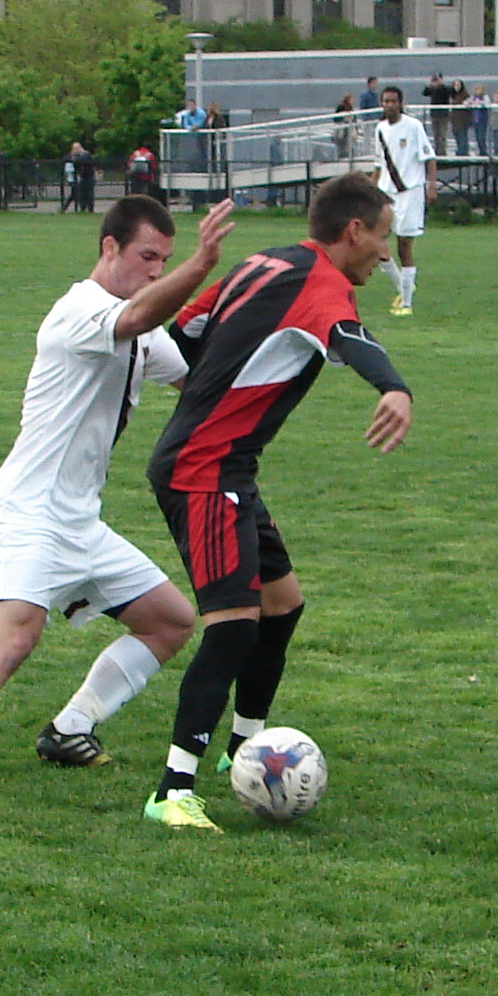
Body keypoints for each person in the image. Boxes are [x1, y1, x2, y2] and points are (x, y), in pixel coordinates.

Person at [0, 194, 238, 809]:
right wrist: (202, 266)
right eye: (147, 257)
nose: (157, 270)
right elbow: (136, 318)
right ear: (110, 247)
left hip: (80, 520)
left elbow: (197, 379)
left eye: (165, 260)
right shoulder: (79, 312)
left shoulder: (140, 326)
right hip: (27, 512)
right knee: (15, 637)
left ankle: (70, 728)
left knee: (170, 622)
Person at [140, 174, 413, 831]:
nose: (386, 252)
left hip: (226, 464)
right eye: (382, 237)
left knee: (281, 606)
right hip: (204, 468)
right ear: (353, 231)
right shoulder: (321, 282)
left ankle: (246, 746)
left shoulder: (264, 262)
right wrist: (394, 388)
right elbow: (349, 338)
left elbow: (185, 332)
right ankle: (172, 791)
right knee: (233, 625)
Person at [362, 85, 436, 318]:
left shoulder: (413, 126)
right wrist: (369, 190)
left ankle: (406, 303)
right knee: (377, 243)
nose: (390, 105)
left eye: (394, 101)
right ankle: (404, 286)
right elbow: (378, 164)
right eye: (386, 101)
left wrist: (431, 185)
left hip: (410, 192)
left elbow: (429, 157)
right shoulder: (380, 128)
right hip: (387, 194)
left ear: (401, 103)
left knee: (404, 246)